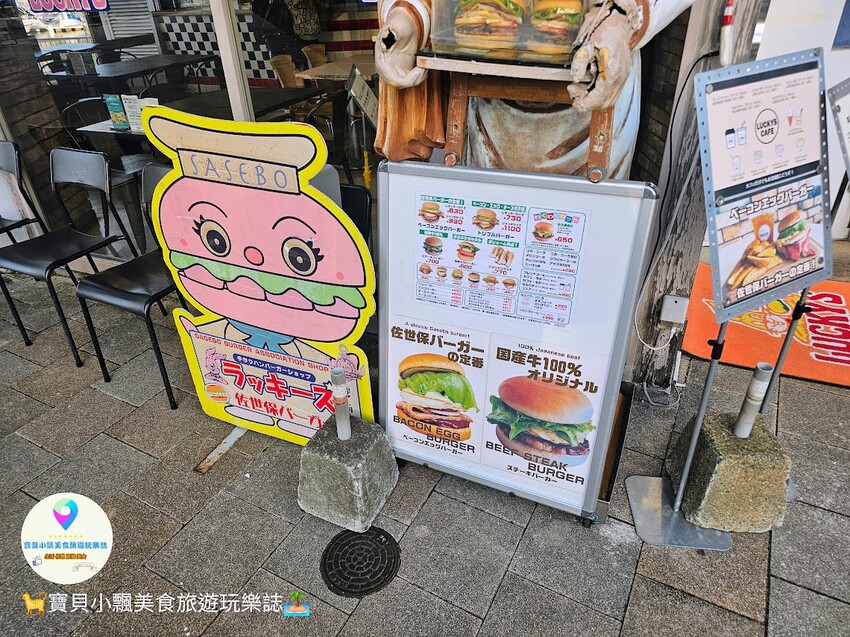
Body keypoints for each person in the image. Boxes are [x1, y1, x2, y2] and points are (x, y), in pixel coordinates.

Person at [374, 0, 695, 178]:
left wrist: (623, 17)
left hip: (593, 94)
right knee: (485, 234)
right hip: (485, 91)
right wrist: (406, 19)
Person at [252, 0, 309, 70]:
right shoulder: (277, 5)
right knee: (295, 67)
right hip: (284, 35)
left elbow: (257, 17)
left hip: (274, 37)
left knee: (284, 67)